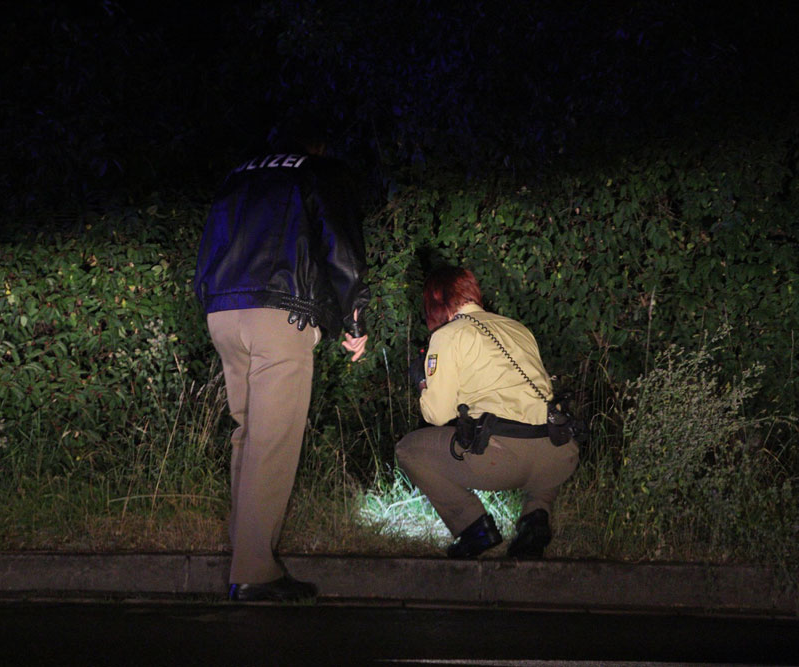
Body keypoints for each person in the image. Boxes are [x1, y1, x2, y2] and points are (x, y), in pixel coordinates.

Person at [194, 127, 370, 602]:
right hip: (279, 313)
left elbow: (209, 246)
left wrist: (211, 304)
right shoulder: (316, 172)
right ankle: (255, 572)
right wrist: (353, 316)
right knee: (272, 443)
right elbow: (340, 245)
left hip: (224, 313)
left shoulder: (237, 177)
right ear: (315, 143)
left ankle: (246, 558)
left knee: (248, 436)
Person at [396, 266, 579, 559]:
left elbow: (438, 415)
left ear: (435, 302)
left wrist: (422, 381)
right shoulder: (517, 328)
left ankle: (474, 527)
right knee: (540, 446)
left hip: (502, 458)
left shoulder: (449, 334)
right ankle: (536, 517)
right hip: (558, 453)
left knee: (408, 450)